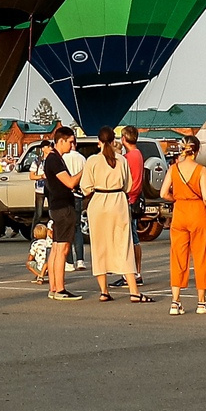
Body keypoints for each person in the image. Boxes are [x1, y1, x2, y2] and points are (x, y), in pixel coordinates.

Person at [81, 127, 143, 302]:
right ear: (114, 140)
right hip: (118, 202)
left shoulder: (92, 161)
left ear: (98, 142)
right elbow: (128, 186)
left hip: (99, 201)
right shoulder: (122, 160)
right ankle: (133, 291)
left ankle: (104, 291)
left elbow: (86, 188)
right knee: (124, 244)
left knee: (100, 245)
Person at [162, 135, 206, 314]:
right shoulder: (201, 170)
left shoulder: (173, 168)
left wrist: (176, 198)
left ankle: (175, 301)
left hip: (180, 211)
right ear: (197, 150)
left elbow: (163, 193)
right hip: (197, 211)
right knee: (201, 255)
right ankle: (202, 302)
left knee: (178, 257)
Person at [41, 127, 82, 301]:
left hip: (57, 206)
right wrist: (86, 170)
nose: (72, 145)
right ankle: (60, 289)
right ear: (61, 140)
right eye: (71, 141)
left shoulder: (54, 158)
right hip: (63, 208)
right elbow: (70, 182)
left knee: (57, 247)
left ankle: (53, 288)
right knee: (63, 248)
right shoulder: (54, 160)